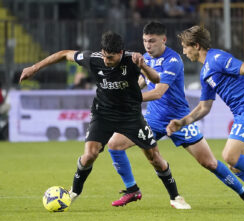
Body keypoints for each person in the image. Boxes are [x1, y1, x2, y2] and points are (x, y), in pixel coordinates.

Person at [19, 31, 189, 209]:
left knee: (153, 157)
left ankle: (175, 197)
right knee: (90, 154)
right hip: (103, 113)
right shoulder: (94, 58)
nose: (107, 61)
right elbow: (63, 54)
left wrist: (144, 66)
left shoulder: (133, 60)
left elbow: (156, 79)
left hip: (130, 115)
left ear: (121, 53)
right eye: (105, 56)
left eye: (111, 58)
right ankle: (74, 192)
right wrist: (34, 68)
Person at [108, 21, 244, 209]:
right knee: (114, 144)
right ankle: (132, 189)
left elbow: (159, 92)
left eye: (152, 41)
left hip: (178, 120)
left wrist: (130, 99)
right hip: (152, 120)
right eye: (145, 41)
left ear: (163, 40)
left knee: (209, 163)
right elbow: (141, 82)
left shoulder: (173, 61)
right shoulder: (145, 58)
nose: (147, 45)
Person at [167, 25, 244, 211]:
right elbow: (204, 107)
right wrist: (182, 122)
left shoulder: (217, 58)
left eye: (185, 46)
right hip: (243, 113)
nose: (183, 51)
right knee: (236, 167)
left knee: (229, 156)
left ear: (197, 45)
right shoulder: (205, 72)